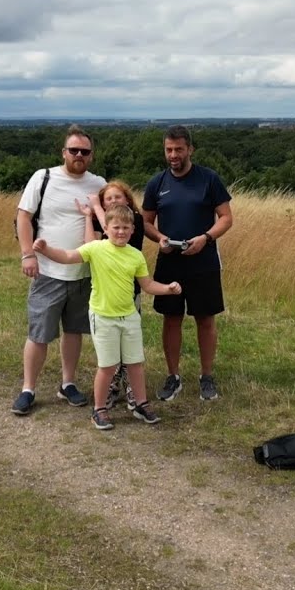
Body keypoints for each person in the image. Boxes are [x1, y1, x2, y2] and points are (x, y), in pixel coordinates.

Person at [34, 205, 181, 430]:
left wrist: (168, 288)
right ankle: (99, 409)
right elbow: (67, 256)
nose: (120, 232)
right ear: (106, 228)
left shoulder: (136, 255)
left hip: (129, 317)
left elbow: (148, 285)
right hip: (103, 317)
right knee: (108, 366)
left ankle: (141, 404)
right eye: (116, 227)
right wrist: (45, 249)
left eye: (125, 227)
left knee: (135, 363)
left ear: (133, 230)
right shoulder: (95, 248)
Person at [11, 125, 107, 416]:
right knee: (39, 333)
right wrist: (28, 255)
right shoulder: (44, 177)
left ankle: (68, 383)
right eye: (73, 150)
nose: (79, 155)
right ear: (64, 152)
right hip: (48, 271)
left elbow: (110, 219)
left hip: (83, 274)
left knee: (74, 331)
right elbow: (23, 217)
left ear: (91, 156)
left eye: (84, 151)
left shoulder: (98, 183)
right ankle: (28, 389)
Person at [142, 124, 233, 402]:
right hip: (169, 261)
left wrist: (206, 237)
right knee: (171, 320)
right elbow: (145, 222)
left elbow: (226, 218)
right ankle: (173, 377)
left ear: (190, 149)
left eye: (179, 149)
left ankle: (207, 377)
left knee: (205, 320)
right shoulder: (156, 183)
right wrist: (160, 238)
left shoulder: (209, 179)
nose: (173, 155)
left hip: (203, 260)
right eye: (169, 149)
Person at [78, 180, 147, 410]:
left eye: (118, 197)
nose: (113, 201)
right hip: (106, 300)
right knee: (110, 355)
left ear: (127, 199)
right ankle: (111, 389)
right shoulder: (109, 226)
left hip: (130, 296)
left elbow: (112, 229)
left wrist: (97, 204)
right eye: (108, 199)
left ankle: (133, 394)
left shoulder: (133, 219)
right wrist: (90, 216)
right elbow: (89, 245)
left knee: (130, 352)